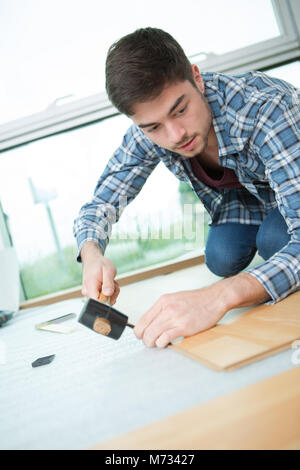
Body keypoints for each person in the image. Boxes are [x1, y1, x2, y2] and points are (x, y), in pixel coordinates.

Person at [73, 27, 300, 348]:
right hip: (247, 201)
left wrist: (217, 298)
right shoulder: (149, 130)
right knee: (221, 258)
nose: (175, 134)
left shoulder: (266, 108)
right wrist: (92, 253)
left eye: (180, 109)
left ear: (197, 78)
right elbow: (101, 203)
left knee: (277, 240)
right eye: (153, 127)